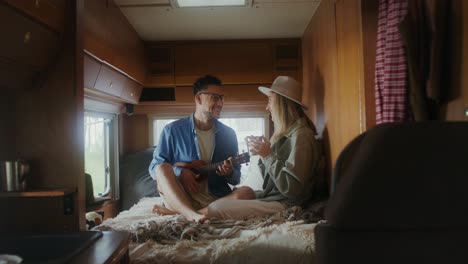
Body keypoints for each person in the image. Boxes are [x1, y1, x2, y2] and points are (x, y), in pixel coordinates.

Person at [205, 76, 323, 220]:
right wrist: (261, 154)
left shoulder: (302, 136)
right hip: (271, 198)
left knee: (215, 208)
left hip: (285, 204)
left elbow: (292, 190)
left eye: (270, 101)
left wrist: (268, 155)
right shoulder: (287, 134)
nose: (267, 107)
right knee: (223, 201)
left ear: (281, 104)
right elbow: (271, 182)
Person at [148, 75, 252, 222]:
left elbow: (235, 180)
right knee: (162, 168)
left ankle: (185, 214)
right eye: (215, 97)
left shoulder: (229, 134)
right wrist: (180, 171)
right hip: (181, 197)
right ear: (198, 98)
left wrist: (229, 173)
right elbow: (154, 168)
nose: (221, 103)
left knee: (247, 193)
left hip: (216, 199)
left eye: (222, 98)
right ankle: (191, 214)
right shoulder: (172, 130)